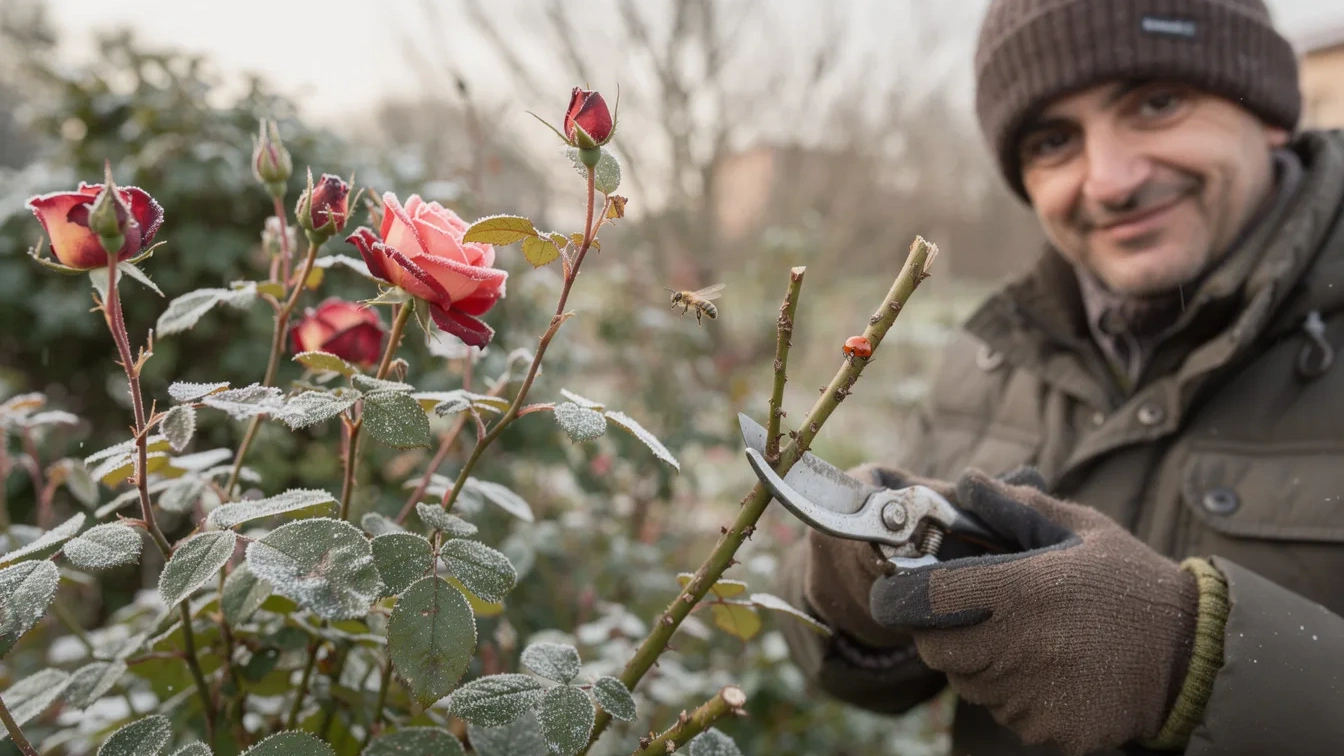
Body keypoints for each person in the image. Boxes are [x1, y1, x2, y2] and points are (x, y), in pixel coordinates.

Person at [774, 1, 1344, 754]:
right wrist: (847, 595)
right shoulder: (990, 357)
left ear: (1270, 110)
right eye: (1053, 141)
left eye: (1158, 103)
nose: (1108, 181)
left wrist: (1192, 662)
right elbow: (861, 678)